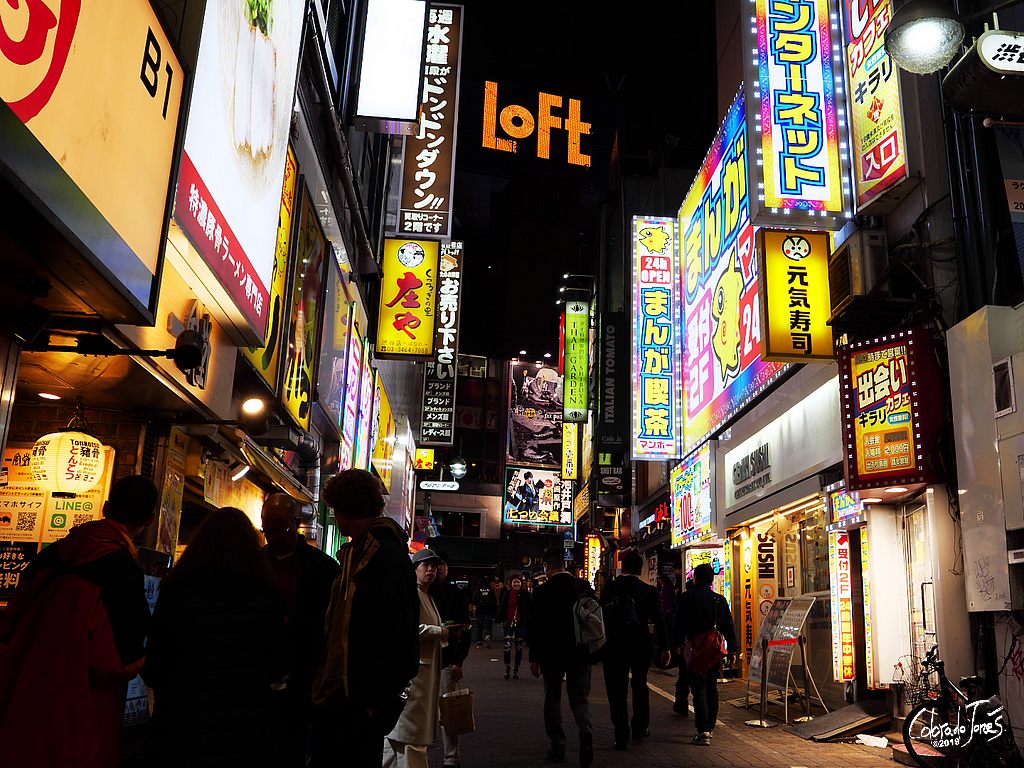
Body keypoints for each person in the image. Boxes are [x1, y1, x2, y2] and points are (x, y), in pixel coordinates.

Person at [0, 474, 158, 768]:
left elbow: (8, 625)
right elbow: (118, 661)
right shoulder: (122, 571)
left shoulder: (51, 556)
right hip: (76, 715)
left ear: (106, 508)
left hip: (17, 701)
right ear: (149, 520)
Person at [143, 507, 288, 765]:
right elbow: (277, 669)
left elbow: (154, 666)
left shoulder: (176, 591)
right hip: (247, 731)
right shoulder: (266, 597)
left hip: (181, 728)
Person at [313, 470, 419, 767]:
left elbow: (394, 628)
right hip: (348, 694)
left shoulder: (380, 554)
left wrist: (375, 699)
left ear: (345, 508)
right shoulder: (364, 550)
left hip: (359, 698)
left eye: (335, 509)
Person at [261, 493, 340, 765]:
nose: (271, 536)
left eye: (278, 529)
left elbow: (330, 625)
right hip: (260, 673)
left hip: (304, 676)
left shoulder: (323, 568)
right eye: (266, 529)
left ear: (296, 523)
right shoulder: (253, 563)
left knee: (294, 747)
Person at [528, 547, 594, 768]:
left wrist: (534, 658)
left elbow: (535, 628)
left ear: (546, 566)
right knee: (579, 698)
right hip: (580, 651)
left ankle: (557, 746)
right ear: (564, 565)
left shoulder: (542, 592)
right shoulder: (583, 587)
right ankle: (586, 732)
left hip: (551, 654)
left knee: (552, 699)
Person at [384, 549, 448, 768]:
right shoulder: (412, 593)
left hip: (424, 675)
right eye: (425, 565)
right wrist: (436, 631)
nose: (430, 569)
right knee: (411, 735)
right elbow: (404, 628)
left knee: (403, 737)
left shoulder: (426, 595)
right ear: (414, 569)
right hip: (415, 675)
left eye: (433, 566)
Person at [600, 550, 669, 750]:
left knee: (616, 689)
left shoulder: (610, 588)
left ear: (622, 568)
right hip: (640, 644)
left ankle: (620, 733)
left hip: (614, 645)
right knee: (640, 684)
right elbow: (659, 619)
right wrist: (664, 646)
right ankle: (640, 727)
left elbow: (599, 614)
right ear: (640, 569)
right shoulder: (648, 591)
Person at [673, 563, 738, 746]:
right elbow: (728, 625)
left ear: (696, 578)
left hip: (694, 649)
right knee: (711, 687)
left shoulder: (686, 598)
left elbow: (678, 623)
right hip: (713, 650)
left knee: (698, 688)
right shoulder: (719, 600)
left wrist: (676, 644)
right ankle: (710, 725)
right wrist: (732, 649)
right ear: (711, 580)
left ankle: (703, 730)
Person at [430, 557, 472, 768]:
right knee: (424, 711)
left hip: (447, 662)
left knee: (447, 710)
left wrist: (458, 662)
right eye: (430, 565)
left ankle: (451, 756)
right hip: (423, 663)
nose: (436, 569)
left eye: (439, 565)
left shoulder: (455, 595)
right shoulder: (420, 593)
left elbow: (464, 630)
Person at [497, 574, 530, 679]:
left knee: (519, 647)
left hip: (520, 623)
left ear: (521, 583)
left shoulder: (525, 594)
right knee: (507, 646)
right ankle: (507, 667)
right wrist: (499, 619)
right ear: (511, 583)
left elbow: (530, 608)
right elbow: (502, 606)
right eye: (514, 582)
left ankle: (516, 669)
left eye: (518, 582)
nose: (516, 584)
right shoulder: (507, 593)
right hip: (509, 622)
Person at [673, 578, 695, 716]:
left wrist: (676, 642)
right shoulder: (715, 598)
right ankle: (708, 715)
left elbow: (678, 622)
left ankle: (681, 704)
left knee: (684, 676)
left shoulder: (683, 599)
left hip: (686, 643)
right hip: (707, 646)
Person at [471, 577, 497, 648]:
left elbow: (474, 600)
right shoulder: (491, 589)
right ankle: (488, 636)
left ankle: (479, 642)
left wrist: (474, 610)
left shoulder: (477, 589)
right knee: (488, 626)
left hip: (479, 610)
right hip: (488, 611)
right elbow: (494, 600)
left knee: (479, 627)